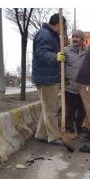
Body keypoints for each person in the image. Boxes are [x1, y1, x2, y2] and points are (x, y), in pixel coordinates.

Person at [32, 13, 73, 151]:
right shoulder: (45, 35)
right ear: (58, 25)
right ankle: (53, 137)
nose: (63, 30)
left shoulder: (50, 35)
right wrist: (55, 56)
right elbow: (41, 53)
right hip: (46, 78)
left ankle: (41, 135)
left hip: (47, 76)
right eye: (63, 27)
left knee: (47, 108)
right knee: (51, 109)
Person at [64, 29, 87, 134]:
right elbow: (60, 66)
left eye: (77, 37)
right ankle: (69, 130)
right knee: (69, 111)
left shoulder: (87, 51)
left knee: (82, 111)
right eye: (73, 37)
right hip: (69, 87)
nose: (74, 39)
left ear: (82, 39)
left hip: (82, 88)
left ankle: (79, 129)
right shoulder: (65, 50)